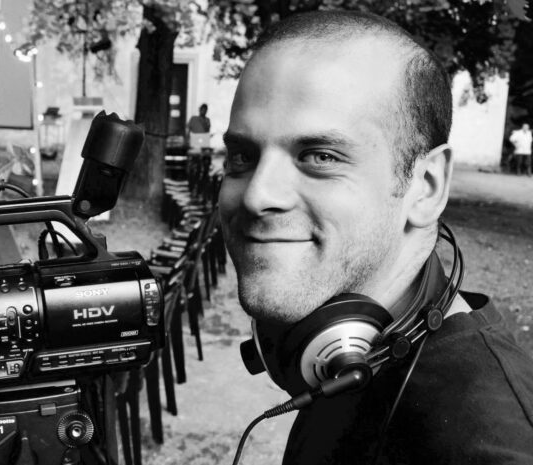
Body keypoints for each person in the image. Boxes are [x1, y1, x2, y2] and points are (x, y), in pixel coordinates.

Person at [219, 10, 533, 465]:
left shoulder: (486, 445)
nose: (256, 196)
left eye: (320, 156)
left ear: (426, 187)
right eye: (242, 157)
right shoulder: (345, 346)